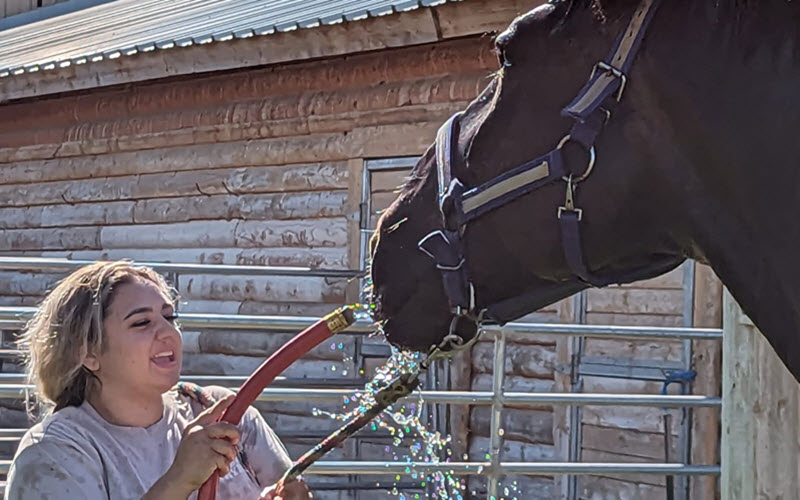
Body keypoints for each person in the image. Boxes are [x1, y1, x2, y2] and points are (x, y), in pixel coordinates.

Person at [5, 261, 311, 500]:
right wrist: (180, 480)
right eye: (142, 322)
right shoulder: (54, 452)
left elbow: (288, 487)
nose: (167, 332)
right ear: (87, 353)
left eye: (170, 317)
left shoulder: (225, 413)